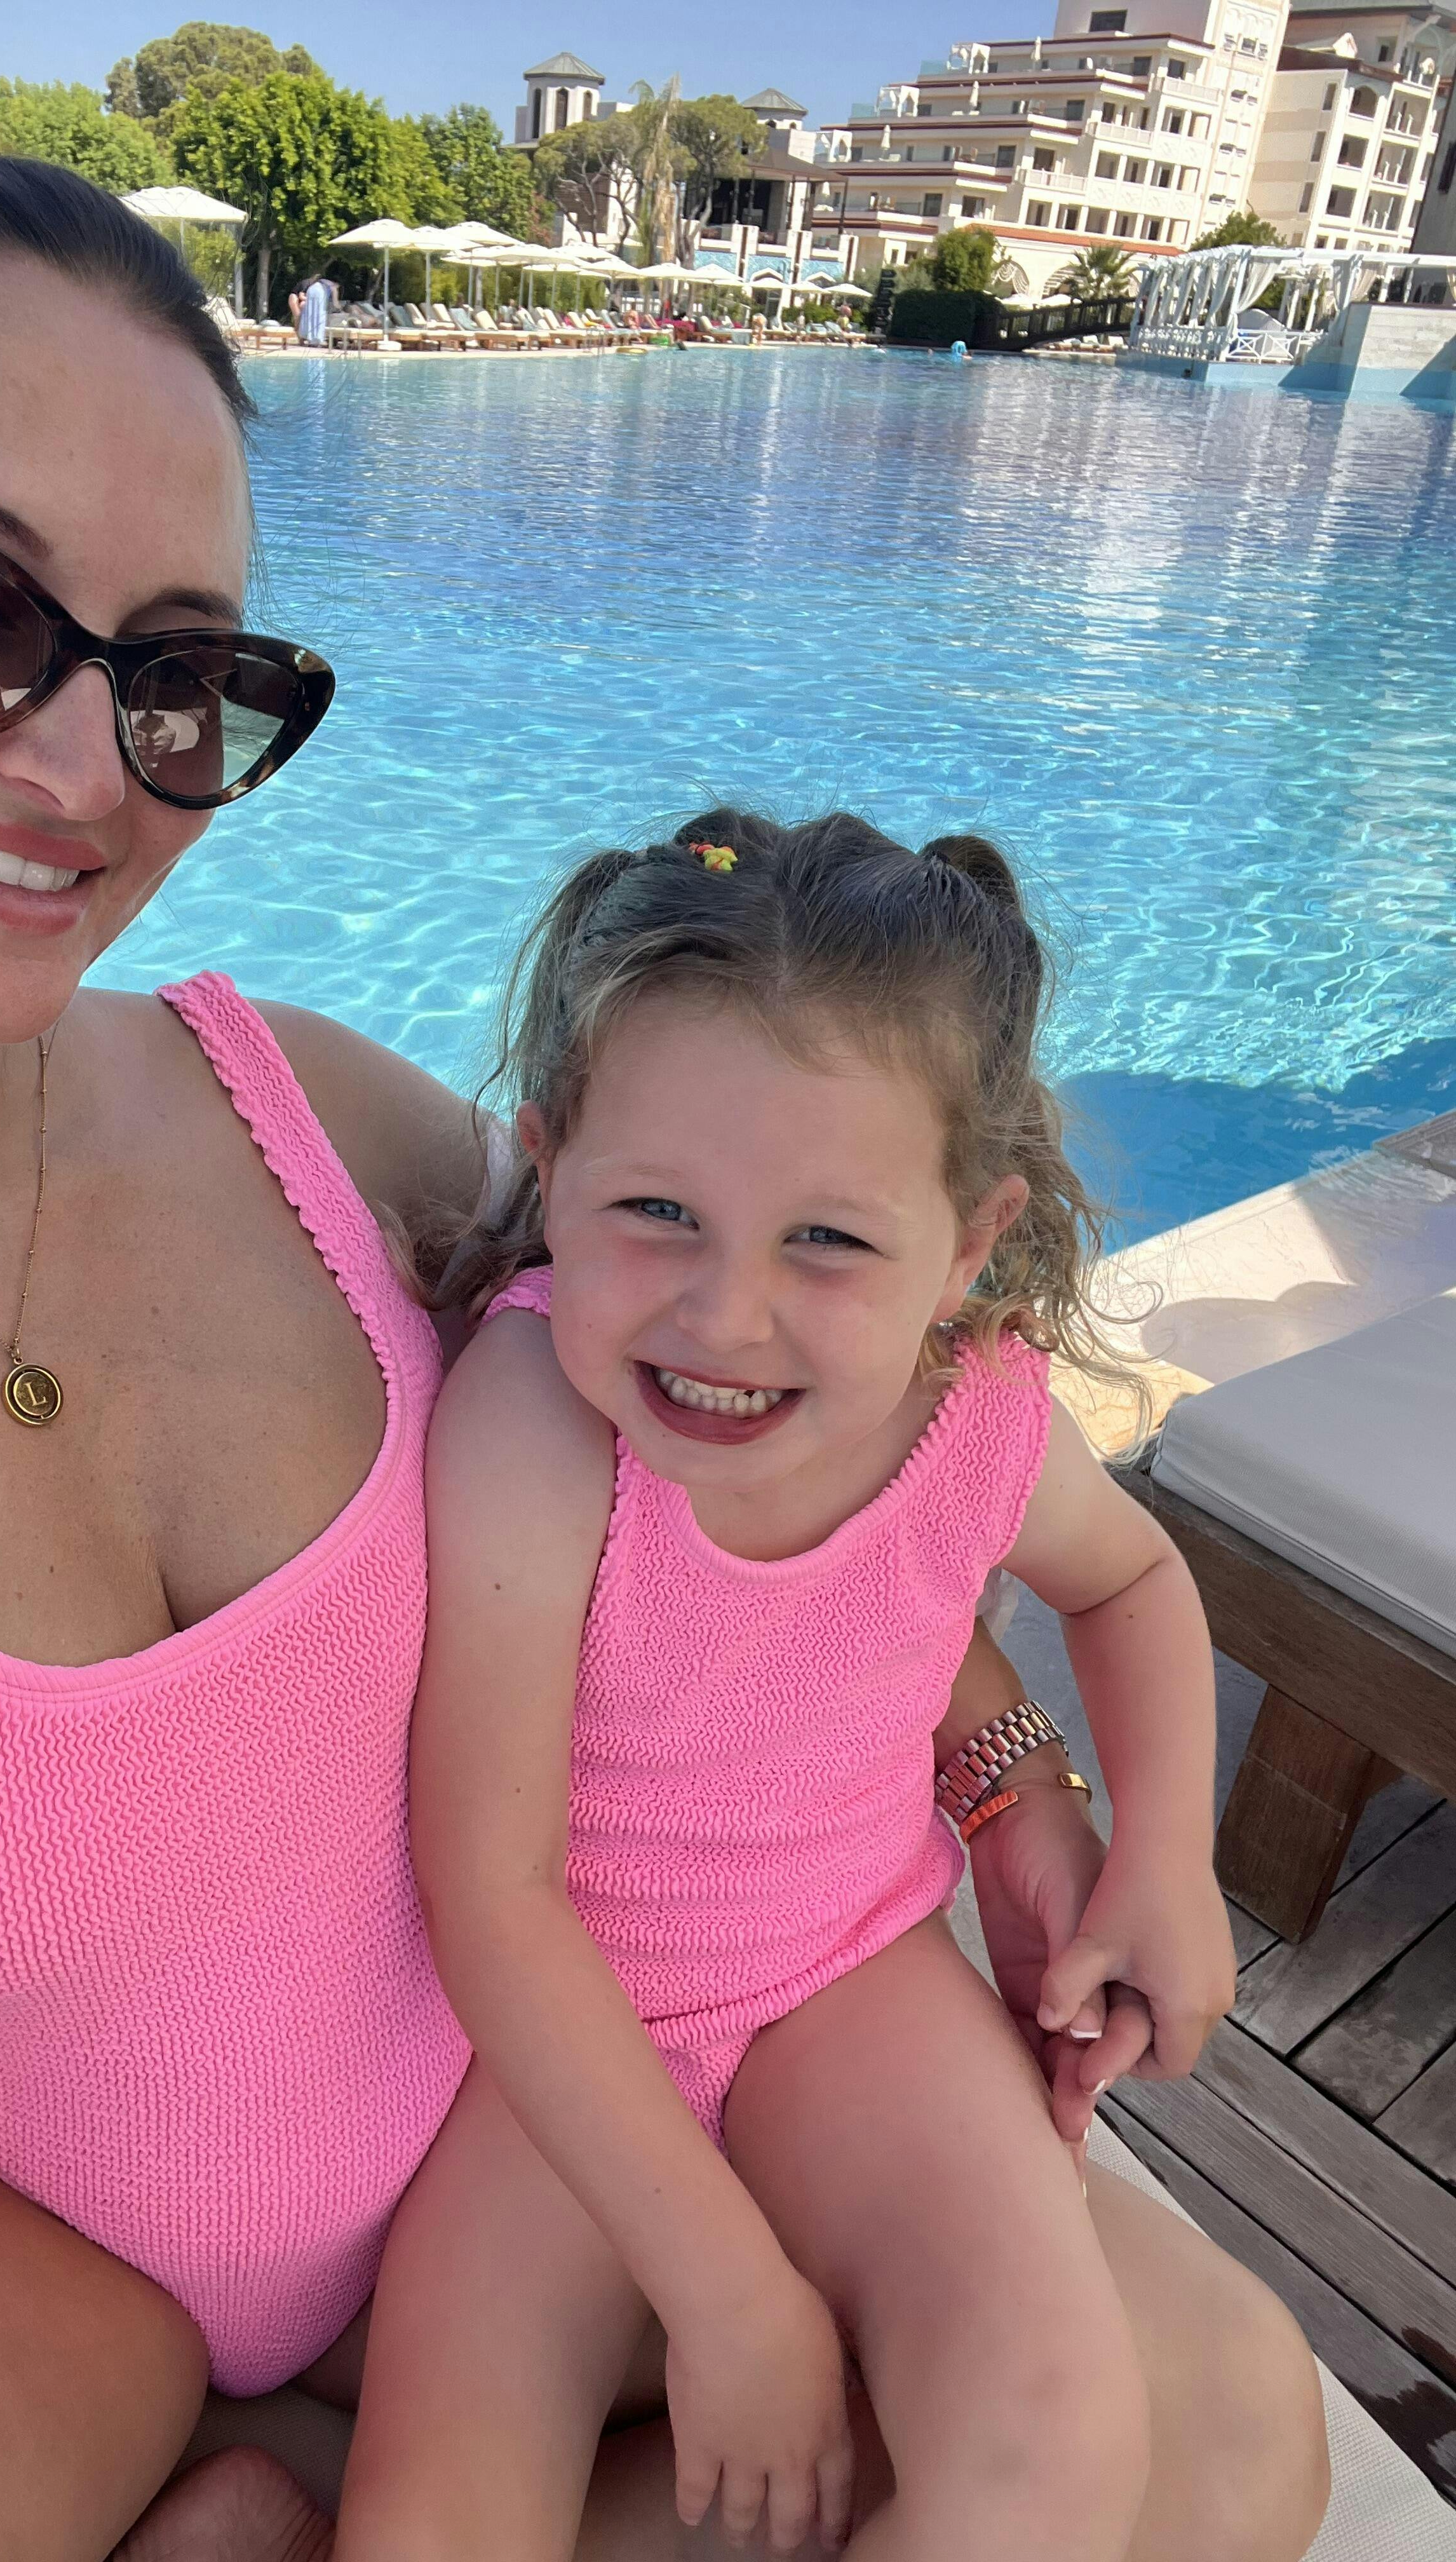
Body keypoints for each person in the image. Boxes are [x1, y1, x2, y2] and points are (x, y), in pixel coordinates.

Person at [0, 154, 1325, 2562]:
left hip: (583, 2104)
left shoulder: (306, 1113)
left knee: (1225, 2437)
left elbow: (762, 1412)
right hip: (76, 2278)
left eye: (178, 674)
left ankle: (281, 2501)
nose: (82, 768)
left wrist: (1007, 1780)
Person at [335, 814, 1327, 2562]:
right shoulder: (536, 1426)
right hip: (557, 2041)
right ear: (548, 1165)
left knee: (1056, 2439)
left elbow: (1133, 1580)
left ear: (970, 1242)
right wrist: (731, 2299)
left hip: (851, 1980)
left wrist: (1163, 1858)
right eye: (656, 1213)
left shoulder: (980, 1416)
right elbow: (493, 1890)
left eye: (829, 1243)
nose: (727, 1316)